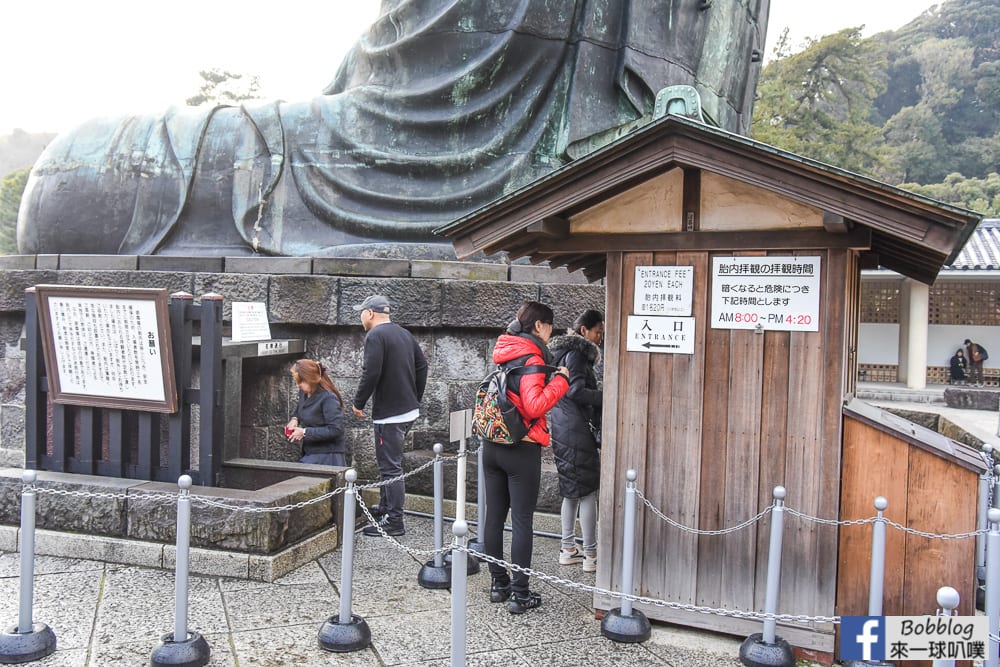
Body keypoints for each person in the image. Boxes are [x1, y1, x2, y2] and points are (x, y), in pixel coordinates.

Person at [18, 1, 767, 258]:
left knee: (69, 189)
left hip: (396, 148)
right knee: (66, 184)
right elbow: (367, 86)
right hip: (358, 144)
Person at [484, 301, 570, 614]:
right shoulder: (532, 355)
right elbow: (533, 406)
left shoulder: (504, 351)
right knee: (521, 521)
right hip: (522, 446)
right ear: (539, 326)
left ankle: (498, 584)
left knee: (493, 517)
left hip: (492, 442)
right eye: (550, 326)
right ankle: (520, 595)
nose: (551, 332)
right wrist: (561, 380)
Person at [352, 294, 428, 537]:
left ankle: (394, 520)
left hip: (390, 414)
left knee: (390, 467)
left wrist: (359, 401)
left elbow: (370, 371)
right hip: (407, 410)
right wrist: (415, 396)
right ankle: (385, 508)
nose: (360, 317)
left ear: (370, 313)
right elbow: (422, 366)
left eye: (361, 312)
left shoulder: (375, 335)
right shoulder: (403, 333)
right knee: (390, 464)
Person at [548, 310, 605, 573]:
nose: (601, 336)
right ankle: (591, 554)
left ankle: (568, 548)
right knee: (589, 492)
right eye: (598, 331)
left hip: (562, 427)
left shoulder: (563, 353)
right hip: (576, 429)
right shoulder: (579, 354)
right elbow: (576, 390)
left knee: (571, 491)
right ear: (584, 331)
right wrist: (606, 395)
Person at [285, 359, 347, 466]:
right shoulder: (304, 393)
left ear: (311, 379)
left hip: (328, 455)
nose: (298, 385)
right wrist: (295, 419)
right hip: (311, 452)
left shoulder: (328, 398)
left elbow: (336, 429)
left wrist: (304, 432)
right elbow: (301, 407)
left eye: (301, 381)